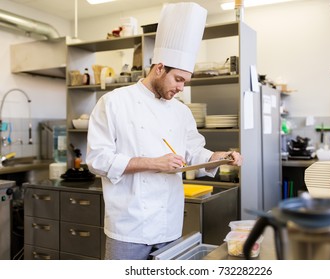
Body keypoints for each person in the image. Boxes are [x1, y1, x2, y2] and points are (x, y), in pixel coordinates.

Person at [86, 2, 242, 260]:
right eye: (178, 79)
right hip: (128, 227)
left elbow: (194, 153)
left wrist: (220, 157)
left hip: (169, 225)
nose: (181, 88)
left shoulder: (181, 111)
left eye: (185, 81)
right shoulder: (114, 102)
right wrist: (153, 163)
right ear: (159, 68)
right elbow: (97, 160)